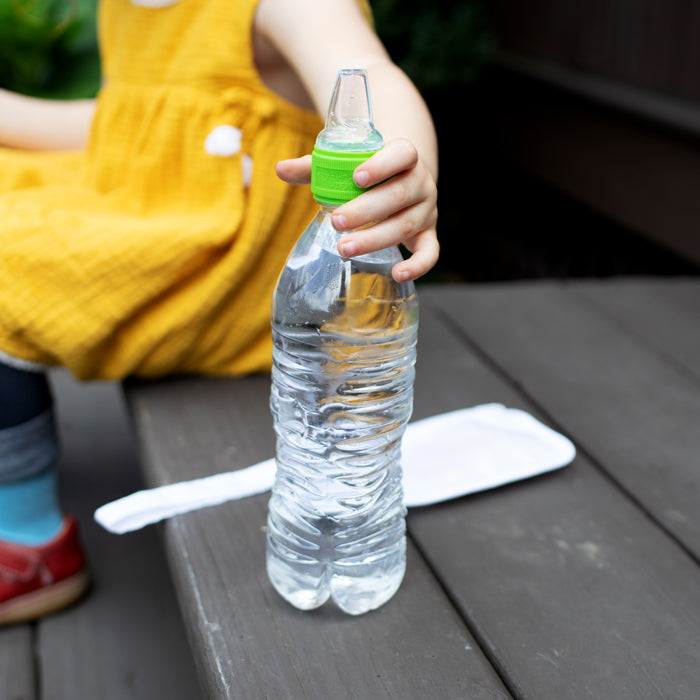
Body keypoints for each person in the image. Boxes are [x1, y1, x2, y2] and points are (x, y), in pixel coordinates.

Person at [0, 0, 438, 625]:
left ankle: (27, 535)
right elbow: (133, 124)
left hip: (224, 272)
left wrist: (403, 175)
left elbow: (365, 71)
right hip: (145, 207)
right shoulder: (125, 10)